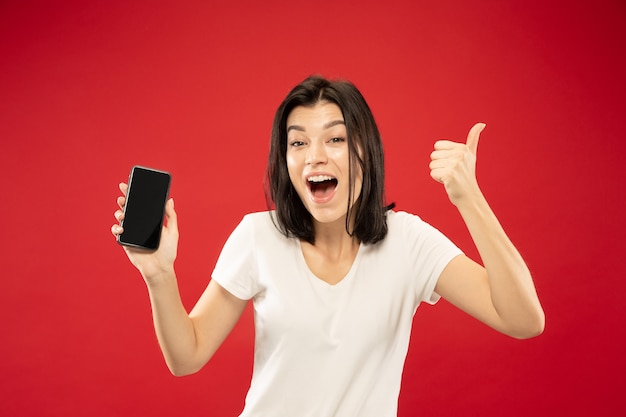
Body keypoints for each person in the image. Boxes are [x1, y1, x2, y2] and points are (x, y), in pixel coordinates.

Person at [111, 75, 544, 416]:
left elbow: (524, 319)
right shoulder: (258, 237)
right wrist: (159, 274)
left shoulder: (408, 242)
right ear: (285, 160)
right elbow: (186, 356)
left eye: (335, 139)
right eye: (298, 142)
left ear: (364, 152)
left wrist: (470, 199)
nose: (315, 156)